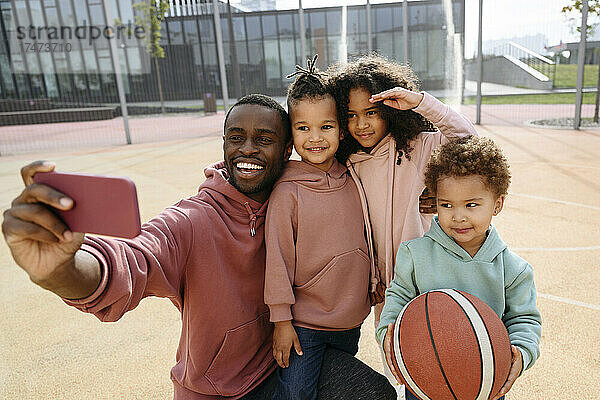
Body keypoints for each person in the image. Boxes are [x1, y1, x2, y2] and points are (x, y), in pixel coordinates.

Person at [2, 94, 396, 400]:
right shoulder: (194, 220)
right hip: (215, 390)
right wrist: (60, 271)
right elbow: (136, 257)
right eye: (236, 138)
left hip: (280, 363)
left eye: (265, 140)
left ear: (287, 149)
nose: (247, 150)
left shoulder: (299, 193)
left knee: (373, 393)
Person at [377, 136, 542, 400]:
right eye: (446, 205)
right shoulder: (415, 254)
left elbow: (524, 320)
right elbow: (396, 299)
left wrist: (521, 352)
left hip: (485, 377)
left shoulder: (514, 270)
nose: (458, 216)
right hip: (425, 377)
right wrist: (388, 331)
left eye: (471, 205)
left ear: (497, 205)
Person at [264, 56, 385, 400]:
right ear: (291, 133)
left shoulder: (352, 176)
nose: (315, 138)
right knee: (297, 393)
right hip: (304, 325)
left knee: (334, 388)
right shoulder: (288, 192)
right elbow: (278, 261)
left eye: (326, 127)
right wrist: (282, 321)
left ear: (341, 129)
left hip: (349, 320)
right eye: (303, 128)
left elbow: (365, 237)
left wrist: (372, 279)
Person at [328, 54, 479, 326]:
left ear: (389, 110)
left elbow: (466, 139)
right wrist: (375, 278)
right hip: (387, 291)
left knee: (437, 357)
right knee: (395, 363)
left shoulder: (418, 148)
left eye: (371, 113)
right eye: (351, 116)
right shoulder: (347, 163)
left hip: (430, 284)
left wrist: (420, 103)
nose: (361, 124)